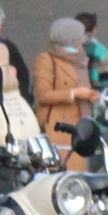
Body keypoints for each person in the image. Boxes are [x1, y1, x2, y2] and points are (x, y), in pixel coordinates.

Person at [35, 16, 93, 149]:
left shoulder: (80, 60)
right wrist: (73, 93)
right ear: (69, 38)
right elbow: (43, 95)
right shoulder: (46, 59)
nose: (82, 40)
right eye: (79, 37)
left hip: (80, 127)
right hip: (57, 128)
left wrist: (90, 95)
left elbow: (84, 88)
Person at [74, 10, 108, 91]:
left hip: (72, 94)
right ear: (94, 29)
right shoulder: (101, 51)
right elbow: (105, 80)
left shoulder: (68, 48)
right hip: (94, 95)